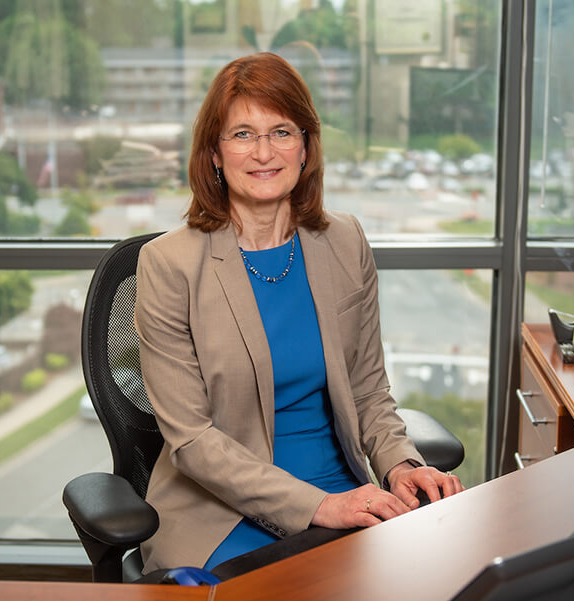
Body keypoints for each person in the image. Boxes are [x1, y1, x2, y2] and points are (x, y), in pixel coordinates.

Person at [134, 52, 463, 574]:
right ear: (214, 154)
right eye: (242, 134)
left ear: (305, 147)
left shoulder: (345, 240)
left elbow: (368, 389)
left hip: (346, 492)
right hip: (223, 513)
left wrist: (399, 464)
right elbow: (193, 442)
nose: (264, 152)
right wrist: (318, 506)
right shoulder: (169, 265)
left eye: (281, 131)